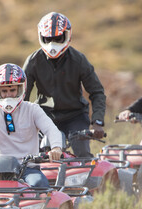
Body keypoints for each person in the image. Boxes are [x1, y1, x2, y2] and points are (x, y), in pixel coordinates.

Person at [23, 12, 106, 157]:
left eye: (57, 38)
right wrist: (19, 122)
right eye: (48, 39)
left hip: (75, 117)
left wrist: (97, 121)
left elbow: (97, 92)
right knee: (34, 157)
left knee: (83, 155)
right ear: (41, 36)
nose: (52, 43)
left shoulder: (79, 60)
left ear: (67, 35)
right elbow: (22, 95)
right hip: (44, 116)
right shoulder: (33, 61)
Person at [0, 63, 63, 188]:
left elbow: (51, 129)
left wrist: (56, 148)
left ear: (21, 89)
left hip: (28, 169)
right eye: (4, 91)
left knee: (40, 185)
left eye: (12, 90)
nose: (8, 95)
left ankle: (43, 208)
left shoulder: (33, 109)